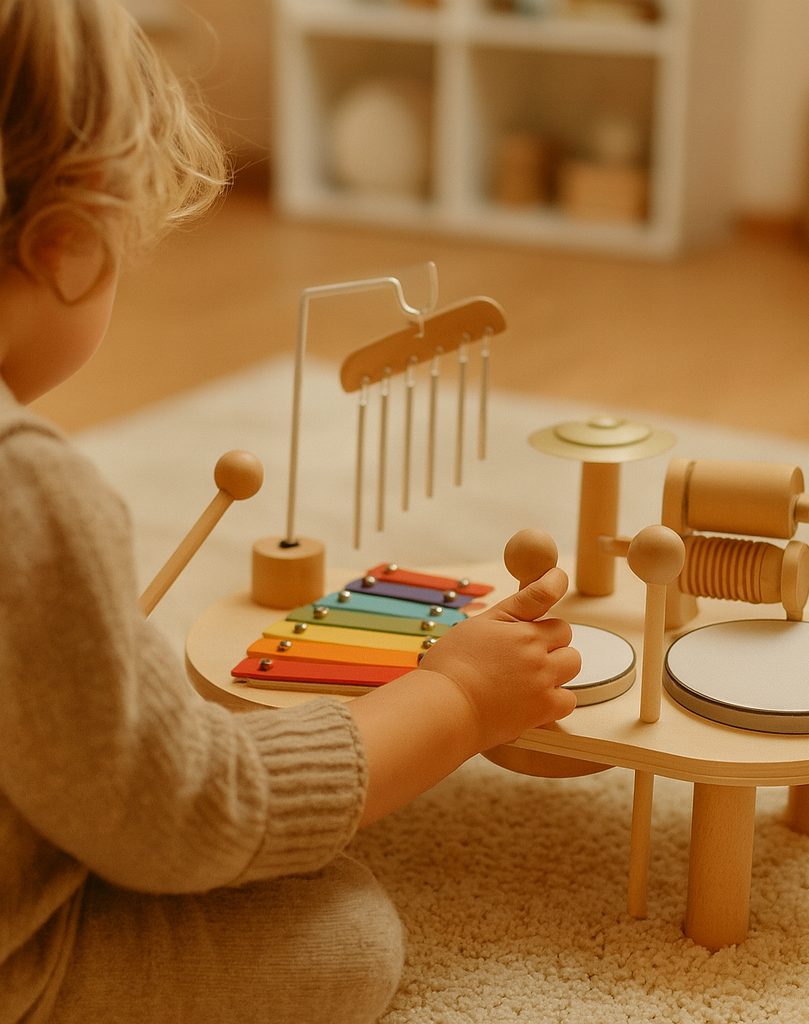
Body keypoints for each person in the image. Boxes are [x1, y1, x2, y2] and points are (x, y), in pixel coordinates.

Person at [0, 3, 581, 1023]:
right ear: (67, 244)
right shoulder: (25, 498)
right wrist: (458, 698)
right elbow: (186, 814)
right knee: (342, 931)